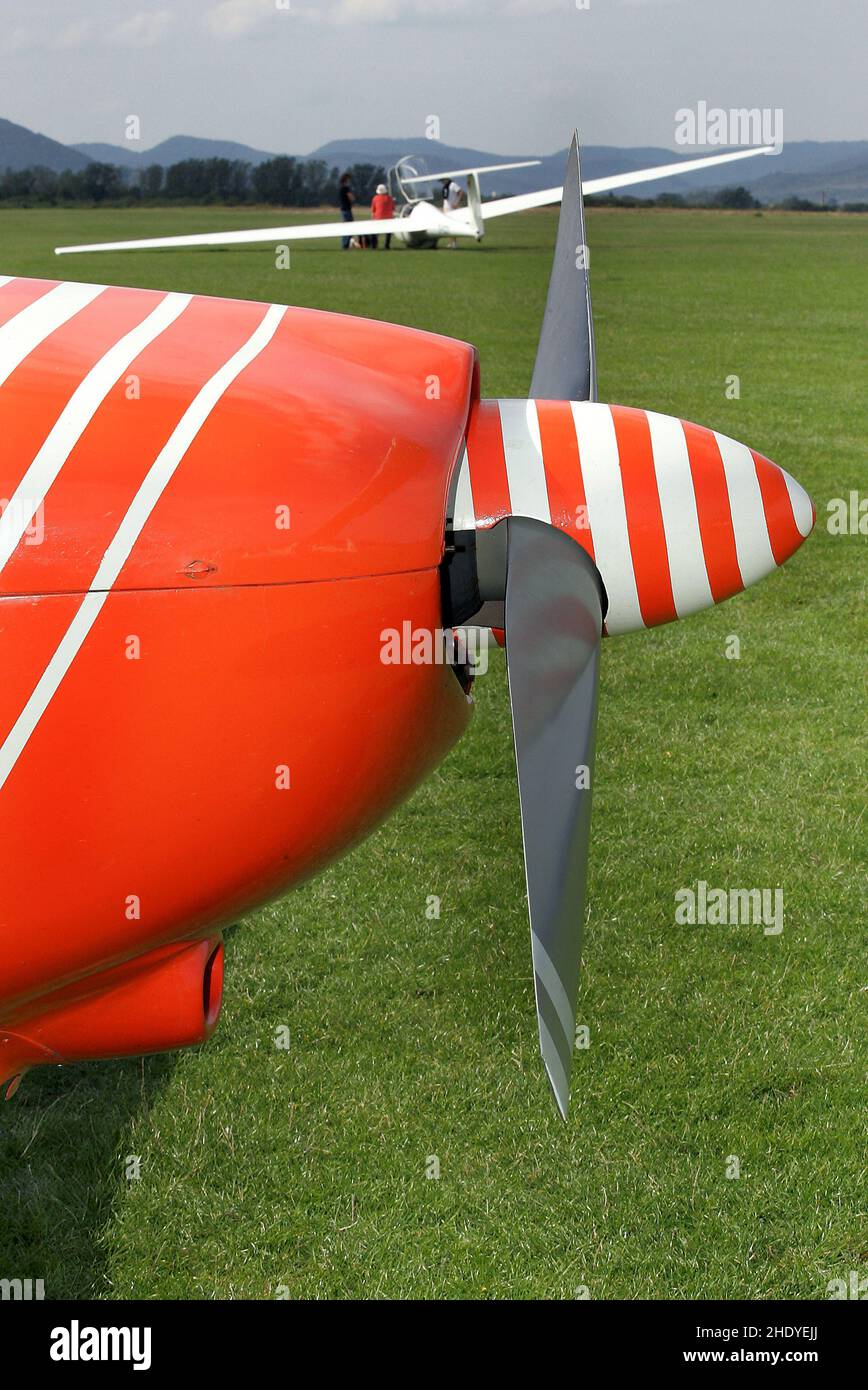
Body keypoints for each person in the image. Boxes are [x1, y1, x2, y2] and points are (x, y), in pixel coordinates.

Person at [371, 182, 396, 250]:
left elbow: (373, 210)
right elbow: (393, 208)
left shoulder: (375, 198)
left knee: (374, 232)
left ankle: (374, 245)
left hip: (378, 218)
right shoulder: (390, 198)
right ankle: (387, 245)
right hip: (388, 219)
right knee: (388, 232)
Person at [443, 177, 463, 248]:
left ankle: (454, 243)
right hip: (446, 208)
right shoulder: (445, 186)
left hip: (452, 208)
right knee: (448, 226)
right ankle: (450, 242)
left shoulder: (453, 185)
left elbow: (461, 192)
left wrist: (456, 203)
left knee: (452, 225)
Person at [338, 172, 355, 249]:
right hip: (347, 209)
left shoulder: (341, 188)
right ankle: (346, 244)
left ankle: (347, 243)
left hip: (343, 209)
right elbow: (351, 197)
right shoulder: (345, 188)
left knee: (347, 226)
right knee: (348, 226)